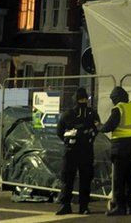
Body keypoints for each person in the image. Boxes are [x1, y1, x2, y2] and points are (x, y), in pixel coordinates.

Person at [55, 87, 101, 215]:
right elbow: (97, 129)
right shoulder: (92, 113)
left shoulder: (68, 114)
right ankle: (83, 206)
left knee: (67, 178)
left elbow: (59, 132)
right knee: (85, 179)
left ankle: (65, 205)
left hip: (71, 151)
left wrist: (69, 140)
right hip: (86, 150)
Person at [101, 86, 131, 216]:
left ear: (116, 98)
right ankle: (129, 205)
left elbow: (108, 126)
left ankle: (119, 207)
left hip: (120, 148)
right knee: (129, 179)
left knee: (118, 179)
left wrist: (99, 127)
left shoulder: (118, 109)